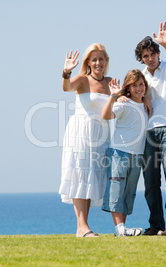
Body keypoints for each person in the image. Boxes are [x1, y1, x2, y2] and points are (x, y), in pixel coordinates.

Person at [135, 21, 166, 236]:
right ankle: (156, 224)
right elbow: (131, 93)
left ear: (157, 53)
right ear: (142, 59)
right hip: (149, 132)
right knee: (151, 182)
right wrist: (143, 95)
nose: (149, 58)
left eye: (152, 54)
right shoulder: (140, 76)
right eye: (145, 56)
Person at [58, 43, 112, 237]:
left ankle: (84, 226)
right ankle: (82, 227)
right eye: (94, 59)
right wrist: (66, 72)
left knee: (90, 177)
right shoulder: (81, 79)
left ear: (106, 61)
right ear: (88, 62)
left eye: (101, 59)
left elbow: (125, 102)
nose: (98, 63)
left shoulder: (111, 82)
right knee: (80, 175)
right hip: (81, 132)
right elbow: (67, 88)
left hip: (101, 134)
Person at [101, 70, 149, 237]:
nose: (138, 88)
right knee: (116, 190)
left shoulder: (147, 105)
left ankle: (121, 229)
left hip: (137, 155)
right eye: (134, 85)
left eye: (141, 84)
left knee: (129, 192)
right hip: (119, 153)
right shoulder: (123, 103)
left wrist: (147, 99)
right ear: (128, 87)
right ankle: (120, 228)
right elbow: (106, 115)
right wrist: (113, 96)